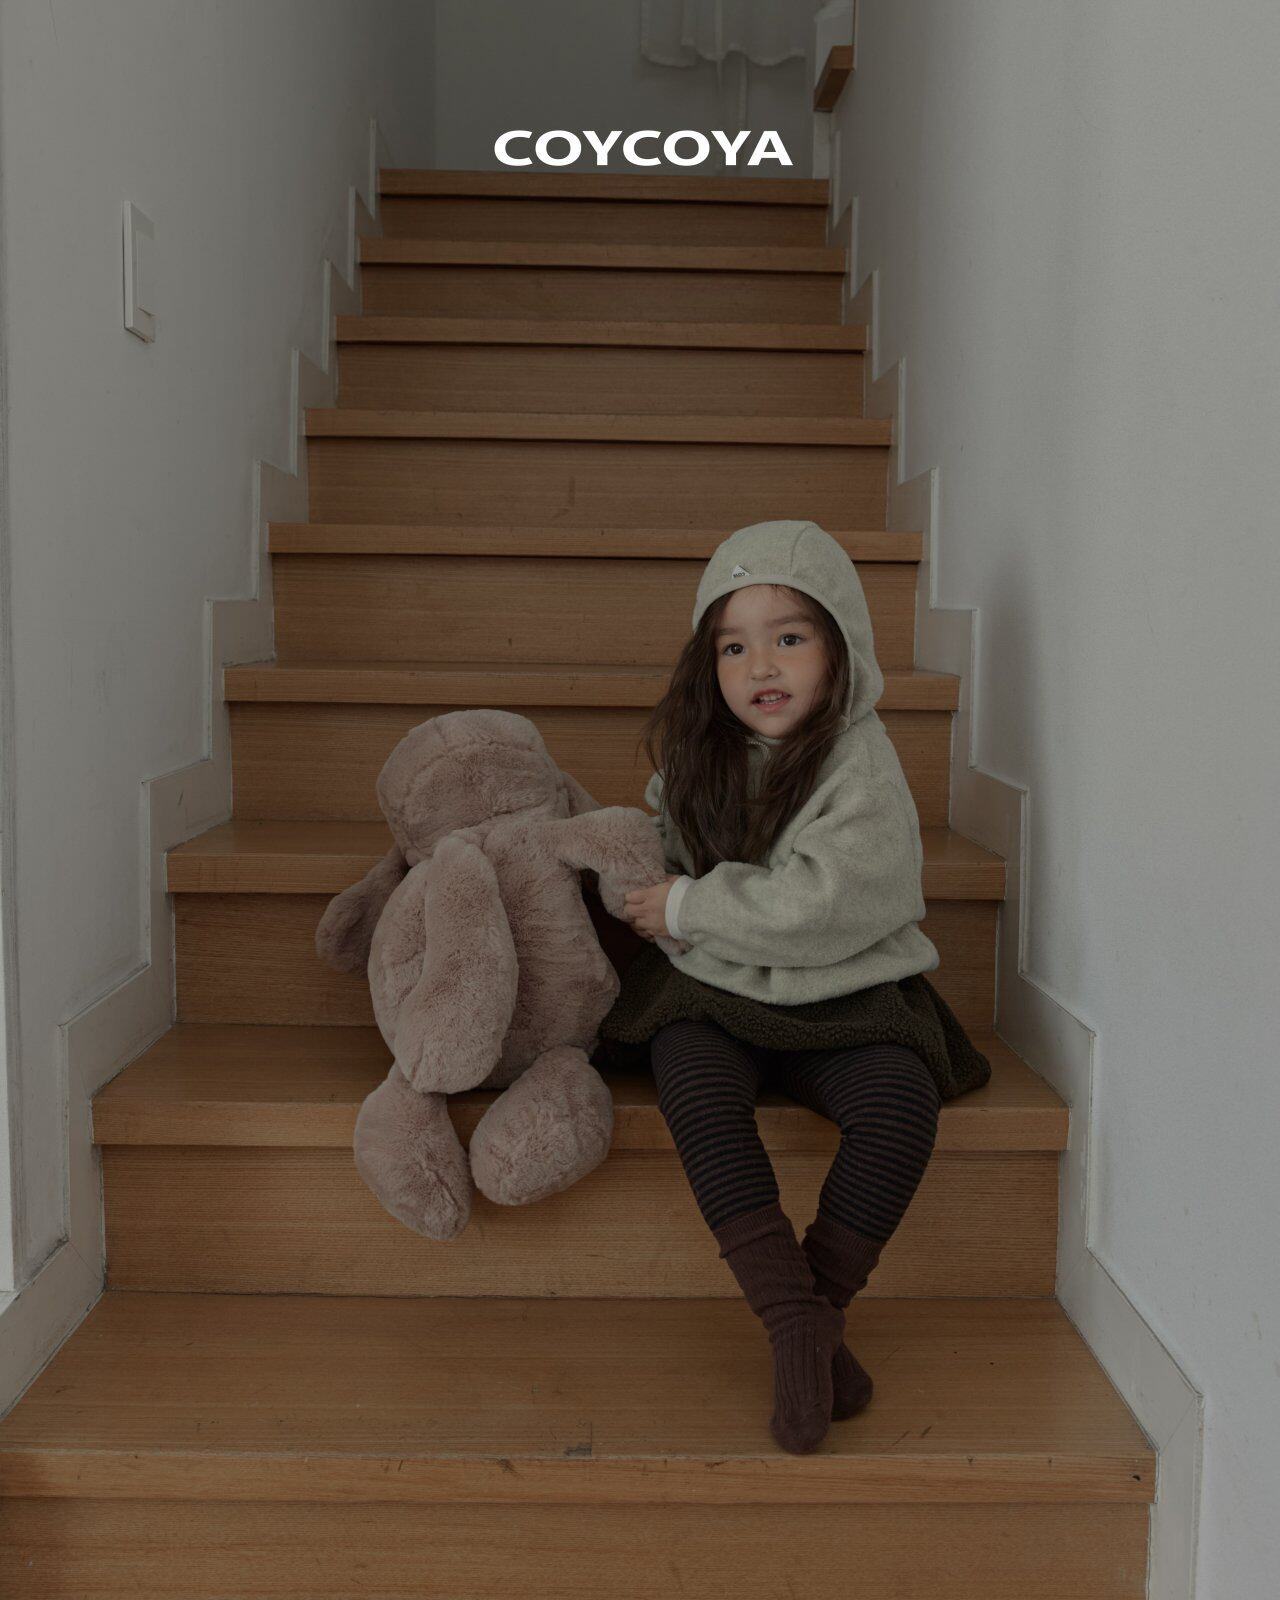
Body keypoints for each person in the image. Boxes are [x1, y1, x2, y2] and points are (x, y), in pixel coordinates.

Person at [594, 517, 992, 1456]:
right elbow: (661, 847)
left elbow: (821, 904)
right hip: (718, 990)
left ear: (840, 648)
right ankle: (792, 1319)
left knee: (900, 1103)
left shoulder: (861, 762)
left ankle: (821, 1305)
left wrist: (690, 905)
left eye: (789, 637)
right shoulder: (702, 752)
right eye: (733, 647)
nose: (761, 666)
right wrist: (633, 880)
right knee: (691, 1076)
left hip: (846, 991)